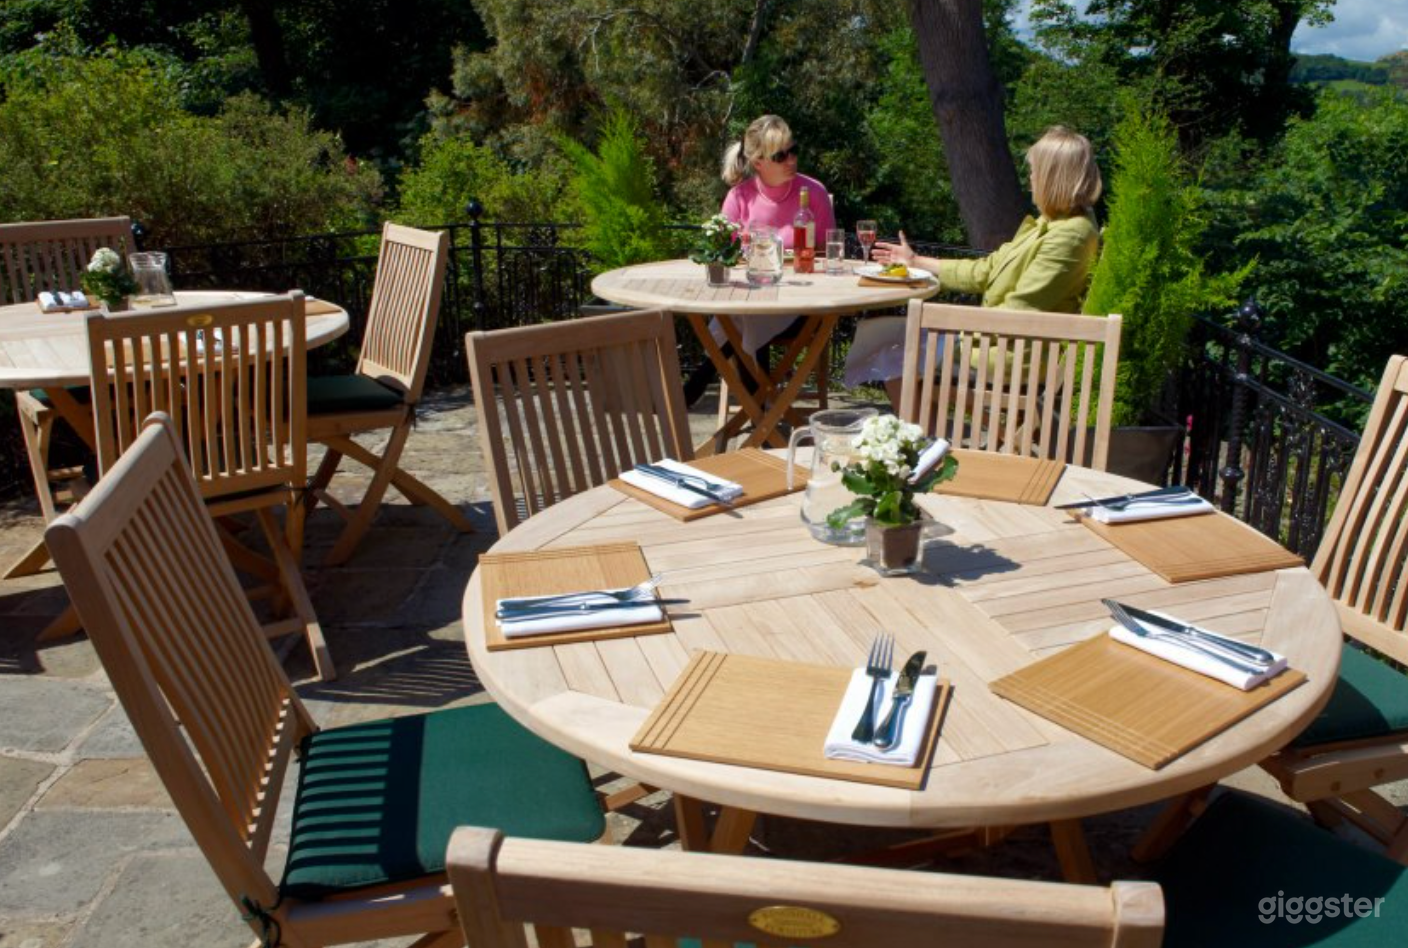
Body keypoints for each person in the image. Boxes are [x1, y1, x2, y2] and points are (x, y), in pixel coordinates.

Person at [843, 126, 1103, 406]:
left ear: (1054, 177)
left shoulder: (1070, 235)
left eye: (1036, 170)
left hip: (1015, 356)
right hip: (1002, 341)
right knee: (887, 337)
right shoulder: (1052, 223)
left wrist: (953, 330)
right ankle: (924, 439)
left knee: (894, 354)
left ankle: (922, 444)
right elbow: (987, 269)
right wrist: (917, 262)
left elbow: (1021, 312)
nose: (1031, 178)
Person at [682, 115, 836, 406]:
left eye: (793, 150)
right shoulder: (739, 197)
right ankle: (761, 413)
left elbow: (828, 253)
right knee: (745, 314)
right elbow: (723, 255)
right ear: (758, 162)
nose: (791, 160)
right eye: (781, 155)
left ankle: (733, 398)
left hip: (801, 303)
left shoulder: (812, 193)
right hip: (751, 296)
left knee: (740, 318)